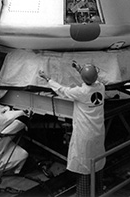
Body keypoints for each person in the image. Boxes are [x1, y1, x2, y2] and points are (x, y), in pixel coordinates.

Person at [39, 63, 106, 197]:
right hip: (98, 132)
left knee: (83, 165)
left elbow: (62, 90)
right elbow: (91, 79)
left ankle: (84, 194)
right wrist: (79, 69)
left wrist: (48, 79)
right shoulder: (101, 87)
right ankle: (98, 191)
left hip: (84, 134)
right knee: (96, 162)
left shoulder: (80, 92)